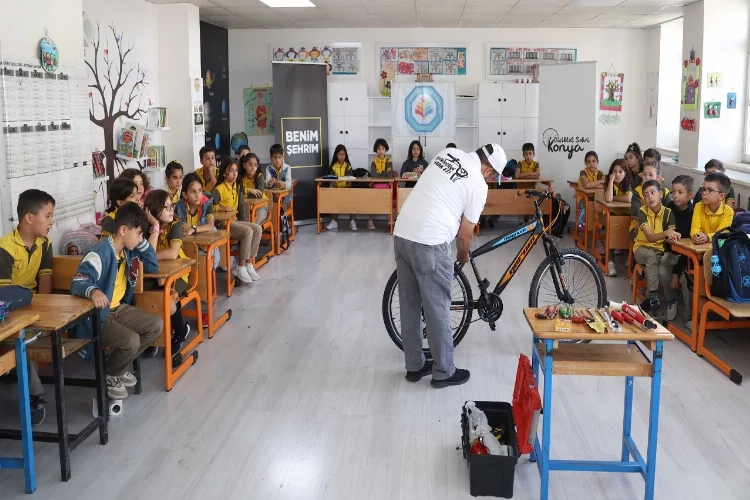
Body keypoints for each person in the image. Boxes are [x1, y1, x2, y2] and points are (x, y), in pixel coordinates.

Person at [393, 143, 505, 389]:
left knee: (410, 304)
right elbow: (464, 237)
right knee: (438, 307)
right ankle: (443, 371)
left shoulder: (448, 154)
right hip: (430, 242)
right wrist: (463, 257)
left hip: (402, 233)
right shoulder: (478, 183)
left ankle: (414, 366)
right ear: (489, 172)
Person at [69, 203, 163, 400]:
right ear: (123, 230)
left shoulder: (129, 250)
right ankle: (111, 373)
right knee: (131, 340)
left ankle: (114, 369)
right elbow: (78, 282)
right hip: (98, 316)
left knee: (156, 325)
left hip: (118, 309)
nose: (140, 239)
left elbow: (153, 265)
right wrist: (93, 291)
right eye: (138, 233)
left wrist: (141, 242)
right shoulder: (100, 252)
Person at [0, 190, 55, 425]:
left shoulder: (45, 243)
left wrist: (40, 313)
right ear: (29, 218)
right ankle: (36, 394)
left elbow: (45, 278)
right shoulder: (5, 247)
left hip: (31, 307)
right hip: (9, 311)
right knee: (23, 340)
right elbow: (4, 294)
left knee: (29, 333)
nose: (52, 221)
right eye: (48, 215)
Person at [142, 190, 191, 361]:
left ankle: (180, 329)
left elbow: (172, 253)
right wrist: (155, 226)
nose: (171, 210)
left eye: (172, 206)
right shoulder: (147, 227)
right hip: (156, 274)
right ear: (153, 210)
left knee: (165, 296)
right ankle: (152, 335)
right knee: (144, 295)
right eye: (166, 207)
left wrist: (148, 257)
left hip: (179, 273)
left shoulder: (175, 224)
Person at [175, 173, 217, 328]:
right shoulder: (179, 206)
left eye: (200, 190)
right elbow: (176, 226)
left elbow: (210, 226)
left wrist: (193, 229)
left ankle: (204, 309)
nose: (198, 195)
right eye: (193, 191)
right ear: (185, 194)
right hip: (185, 247)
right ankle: (175, 312)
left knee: (202, 262)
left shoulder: (207, 203)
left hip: (206, 247)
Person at [633, 179, 679, 312]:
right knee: (651, 257)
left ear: (661, 194)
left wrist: (674, 235)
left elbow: (671, 236)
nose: (649, 197)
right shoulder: (642, 211)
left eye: (652, 192)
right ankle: (653, 295)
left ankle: (649, 300)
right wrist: (666, 233)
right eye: (645, 195)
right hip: (641, 249)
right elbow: (650, 237)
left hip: (660, 251)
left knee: (657, 264)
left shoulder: (668, 213)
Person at [213, 158, 262, 284]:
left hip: (233, 222)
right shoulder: (219, 189)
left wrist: (245, 222)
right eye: (231, 171)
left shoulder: (237, 187)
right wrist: (221, 208)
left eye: (236, 170)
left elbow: (241, 208)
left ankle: (249, 264)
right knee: (247, 232)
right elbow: (207, 206)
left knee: (256, 229)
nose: (235, 174)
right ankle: (240, 266)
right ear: (224, 173)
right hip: (222, 225)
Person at [660, 175, 695, 326]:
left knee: (686, 281)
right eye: (673, 191)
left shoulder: (693, 213)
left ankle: (689, 316)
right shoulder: (669, 208)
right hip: (671, 252)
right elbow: (665, 234)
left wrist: (676, 273)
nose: (675, 195)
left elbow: (688, 247)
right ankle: (672, 300)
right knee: (662, 268)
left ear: (690, 195)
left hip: (687, 257)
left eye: (680, 192)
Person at [599, 159, 634, 276]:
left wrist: (614, 198)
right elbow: (608, 199)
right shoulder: (609, 183)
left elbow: (629, 199)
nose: (617, 174)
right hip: (611, 213)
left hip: (625, 214)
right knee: (611, 231)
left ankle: (631, 259)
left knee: (632, 229)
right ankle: (610, 262)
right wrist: (611, 181)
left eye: (620, 171)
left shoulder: (627, 183)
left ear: (625, 173)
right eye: (615, 171)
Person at [630, 158, 671, 239]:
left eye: (651, 175)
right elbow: (636, 212)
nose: (647, 177)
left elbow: (669, 211)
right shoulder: (637, 192)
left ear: (658, 178)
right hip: (639, 226)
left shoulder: (664, 191)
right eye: (644, 174)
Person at [691, 172, 734, 244]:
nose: (704, 193)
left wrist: (707, 237)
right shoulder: (698, 206)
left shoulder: (728, 211)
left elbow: (721, 233)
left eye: (710, 190)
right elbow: (695, 227)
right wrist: (696, 235)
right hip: (699, 245)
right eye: (704, 189)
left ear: (721, 196)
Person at [325, 144, 356, 231]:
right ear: (336, 155)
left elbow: (350, 181)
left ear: (346, 155)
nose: (342, 156)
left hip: (347, 189)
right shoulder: (333, 167)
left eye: (343, 154)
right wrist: (337, 186)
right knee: (332, 196)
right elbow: (333, 181)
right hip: (336, 189)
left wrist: (345, 187)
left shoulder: (348, 166)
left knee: (352, 199)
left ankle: (352, 221)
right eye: (339, 154)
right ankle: (334, 221)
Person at [370, 138, 394, 230]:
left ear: (386, 150)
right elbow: (373, 175)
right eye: (379, 149)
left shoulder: (389, 161)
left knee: (388, 195)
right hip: (375, 185)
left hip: (386, 185)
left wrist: (380, 172)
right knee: (372, 199)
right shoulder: (374, 162)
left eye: (383, 148)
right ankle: (370, 220)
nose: (381, 151)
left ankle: (390, 217)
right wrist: (384, 172)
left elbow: (389, 175)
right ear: (376, 150)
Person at [239, 152, 268, 223]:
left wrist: (243, 193)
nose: (253, 168)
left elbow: (258, 195)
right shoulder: (240, 177)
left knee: (254, 222)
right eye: (250, 164)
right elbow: (237, 193)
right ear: (244, 165)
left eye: (255, 165)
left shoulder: (259, 176)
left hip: (260, 206)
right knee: (241, 222)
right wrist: (249, 190)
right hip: (245, 207)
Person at [265, 143, 293, 211]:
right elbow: (267, 183)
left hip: (284, 197)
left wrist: (285, 184)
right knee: (269, 207)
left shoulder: (287, 168)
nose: (277, 160)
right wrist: (269, 182)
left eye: (279, 157)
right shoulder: (268, 168)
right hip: (273, 196)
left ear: (283, 157)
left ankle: (282, 220)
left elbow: (289, 183)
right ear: (271, 158)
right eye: (275, 157)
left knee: (283, 209)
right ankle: (273, 219)